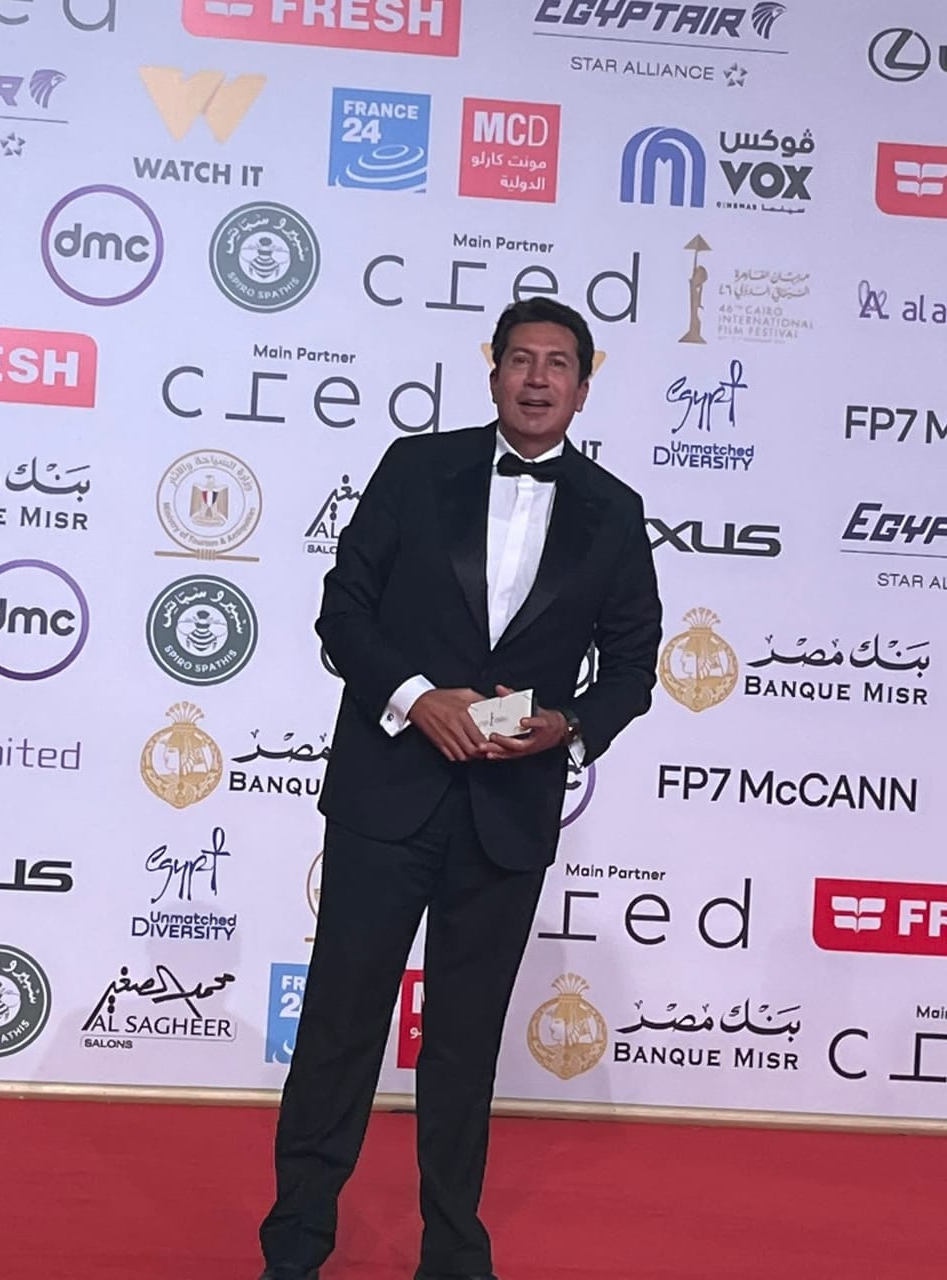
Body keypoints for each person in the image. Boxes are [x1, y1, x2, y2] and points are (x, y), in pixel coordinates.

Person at [258, 296, 663, 1280]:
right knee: (341, 1024)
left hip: (507, 812)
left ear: (582, 387)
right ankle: (297, 1242)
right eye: (520, 359)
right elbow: (343, 609)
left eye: (557, 363)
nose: (537, 378)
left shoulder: (614, 510)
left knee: (466, 1040)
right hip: (386, 792)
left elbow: (631, 666)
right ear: (493, 374)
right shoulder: (416, 467)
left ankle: (452, 1251)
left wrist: (566, 725)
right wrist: (415, 696)